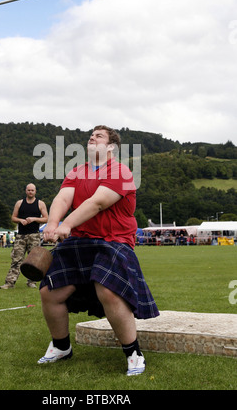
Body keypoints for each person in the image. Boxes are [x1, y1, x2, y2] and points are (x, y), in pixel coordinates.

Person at [38, 125, 159, 376]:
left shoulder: (121, 172)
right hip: (82, 239)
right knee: (50, 290)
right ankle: (61, 347)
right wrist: (52, 224)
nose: (92, 138)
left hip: (114, 240)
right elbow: (63, 198)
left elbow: (98, 202)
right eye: (90, 136)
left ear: (111, 147)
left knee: (109, 289)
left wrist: (67, 224)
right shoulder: (77, 172)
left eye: (99, 136)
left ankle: (133, 352)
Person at [0, 183, 48, 289]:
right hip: (21, 235)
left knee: (34, 260)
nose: (30, 192)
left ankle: (32, 282)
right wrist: (20, 220)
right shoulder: (19, 203)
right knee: (16, 259)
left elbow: (46, 218)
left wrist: (34, 219)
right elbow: (13, 217)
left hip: (34, 235)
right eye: (29, 190)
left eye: (32, 190)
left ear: (35, 191)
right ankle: (10, 282)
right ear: (26, 191)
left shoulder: (40, 204)